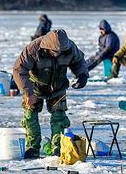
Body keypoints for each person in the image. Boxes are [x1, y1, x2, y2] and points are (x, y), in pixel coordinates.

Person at [13, 29, 89, 158]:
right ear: (47, 47)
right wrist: (28, 93)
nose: (58, 53)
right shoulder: (33, 49)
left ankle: (58, 147)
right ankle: (33, 147)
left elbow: (79, 61)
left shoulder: (69, 47)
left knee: (59, 118)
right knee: (30, 117)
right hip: (34, 88)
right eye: (55, 51)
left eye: (61, 51)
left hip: (58, 88)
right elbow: (19, 70)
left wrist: (82, 76)